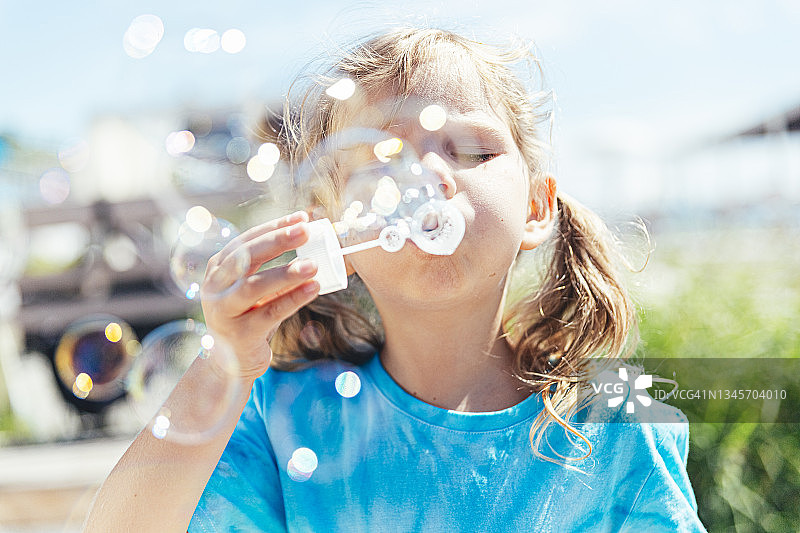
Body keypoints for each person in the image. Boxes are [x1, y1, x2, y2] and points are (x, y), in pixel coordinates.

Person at [85, 27, 706, 532]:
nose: (428, 175)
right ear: (337, 236)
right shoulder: (284, 419)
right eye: (384, 161)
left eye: (471, 149)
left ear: (537, 209)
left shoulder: (618, 427)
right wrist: (225, 367)